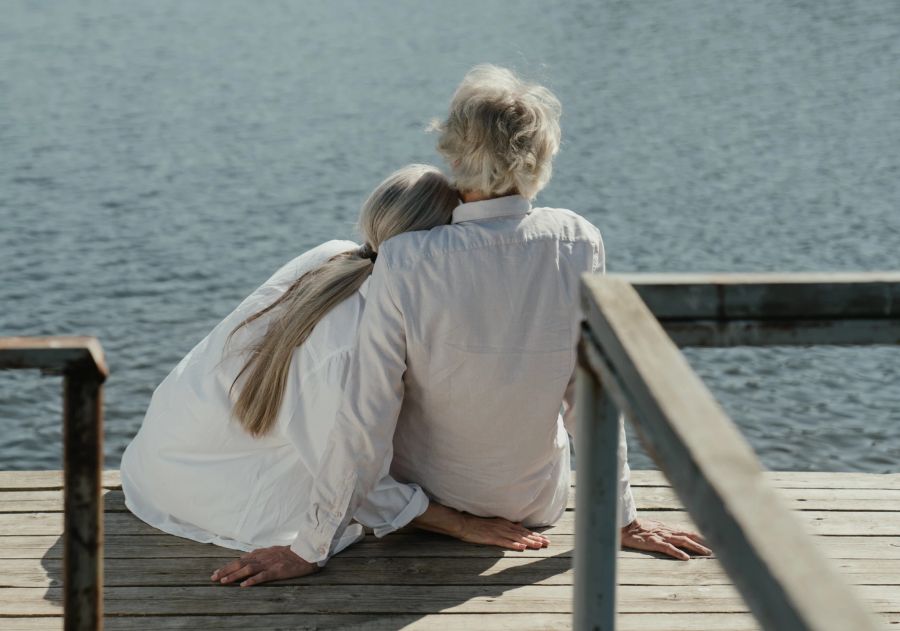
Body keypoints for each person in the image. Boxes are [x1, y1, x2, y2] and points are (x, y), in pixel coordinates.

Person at [213, 65, 710, 587]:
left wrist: (311, 547)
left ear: (451, 156)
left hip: (429, 498)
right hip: (534, 501)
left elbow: (366, 415)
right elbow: (590, 392)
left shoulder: (407, 258)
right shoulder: (580, 240)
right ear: (542, 158)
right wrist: (621, 517)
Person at [121, 164, 551, 572]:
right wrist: (461, 524)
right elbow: (352, 478)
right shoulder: (355, 338)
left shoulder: (336, 255)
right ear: (430, 246)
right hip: (210, 493)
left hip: (164, 456)